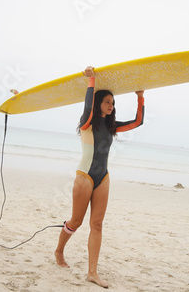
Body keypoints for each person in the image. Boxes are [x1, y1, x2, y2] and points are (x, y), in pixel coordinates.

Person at [54, 66, 145, 288]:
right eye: (107, 102)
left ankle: (92, 272)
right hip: (84, 176)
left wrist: (140, 98)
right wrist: (91, 80)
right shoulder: (87, 122)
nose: (111, 106)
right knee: (76, 221)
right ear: (98, 103)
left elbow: (137, 122)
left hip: (103, 177)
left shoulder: (111, 125)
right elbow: (87, 107)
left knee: (97, 224)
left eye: (113, 103)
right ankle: (58, 251)